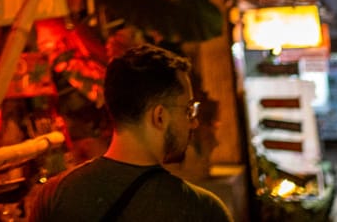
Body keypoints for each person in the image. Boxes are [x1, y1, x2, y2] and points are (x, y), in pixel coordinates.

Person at [29, 44, 231, 222]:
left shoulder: (54, 196)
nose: (194, 122)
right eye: (188, 110)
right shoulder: (201, 210)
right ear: (159, 116)